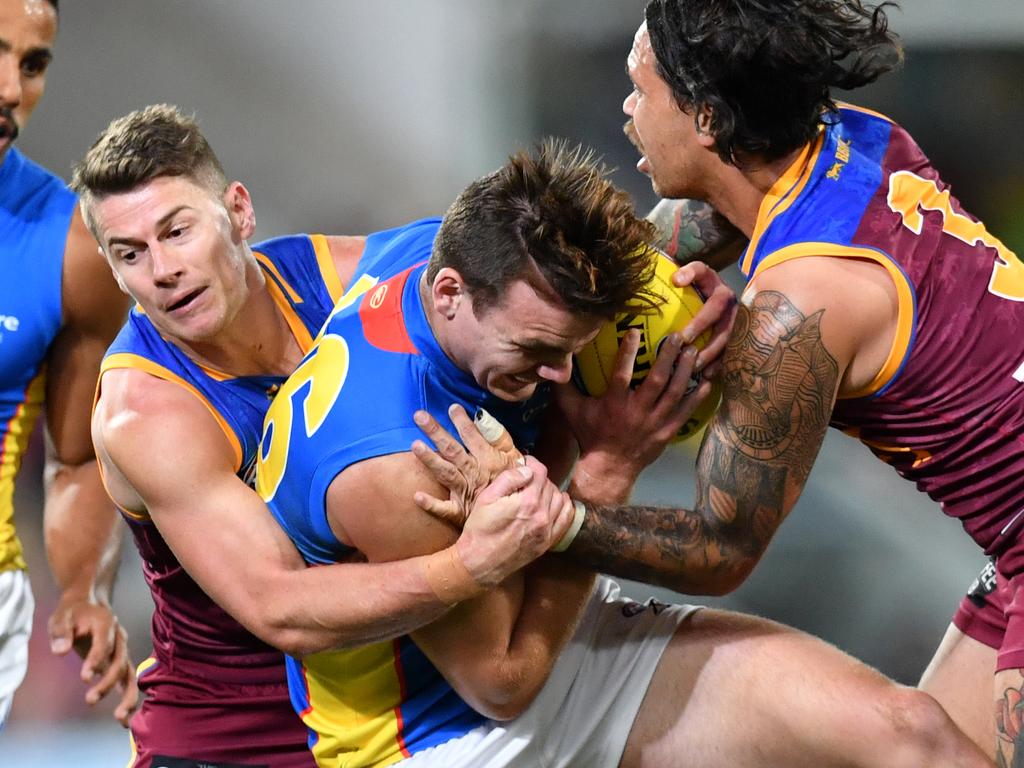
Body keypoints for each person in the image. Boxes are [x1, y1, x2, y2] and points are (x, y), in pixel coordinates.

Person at [258, 138, 991, 768]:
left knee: (912, 734)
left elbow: (660, 238)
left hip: (551, 617)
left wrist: (684, 296)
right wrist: (606, 466)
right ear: (450, 293)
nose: (557, 373)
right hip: (452, 734)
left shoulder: (453, 254)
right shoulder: (397, 462)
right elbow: (504, 681)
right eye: (537, 351)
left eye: (571, 350)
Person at [421, 1, 1021, 763]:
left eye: (642, 89)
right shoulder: (849, 137)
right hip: (1013, 544)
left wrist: (550, 517)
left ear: (707, 117)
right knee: (917, 750)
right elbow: (646, 255)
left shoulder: (801, 302)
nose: (628, 111)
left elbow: (722, 546)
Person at [76, 104, 631, 767]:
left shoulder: (343, 278)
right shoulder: (147, 411)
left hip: (391, 713)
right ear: (112, 272)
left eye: (177, 231)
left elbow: (521, 298)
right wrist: (464, 566)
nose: (161, 270)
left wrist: (679, 243)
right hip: (231, 741)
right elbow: (278, 607)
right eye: (130, 254)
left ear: (239, 213)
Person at [0, 0, 136, 728]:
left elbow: (78, 459)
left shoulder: (71, 245)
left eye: (32, 64)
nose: (11, 90)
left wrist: (84, 589)